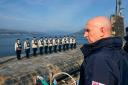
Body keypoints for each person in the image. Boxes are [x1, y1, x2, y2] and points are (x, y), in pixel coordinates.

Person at [79, 16, 128, 85]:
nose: (85, 35)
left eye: (88, 30)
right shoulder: (121, 53)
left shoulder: (99, 59)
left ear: (102, 31)